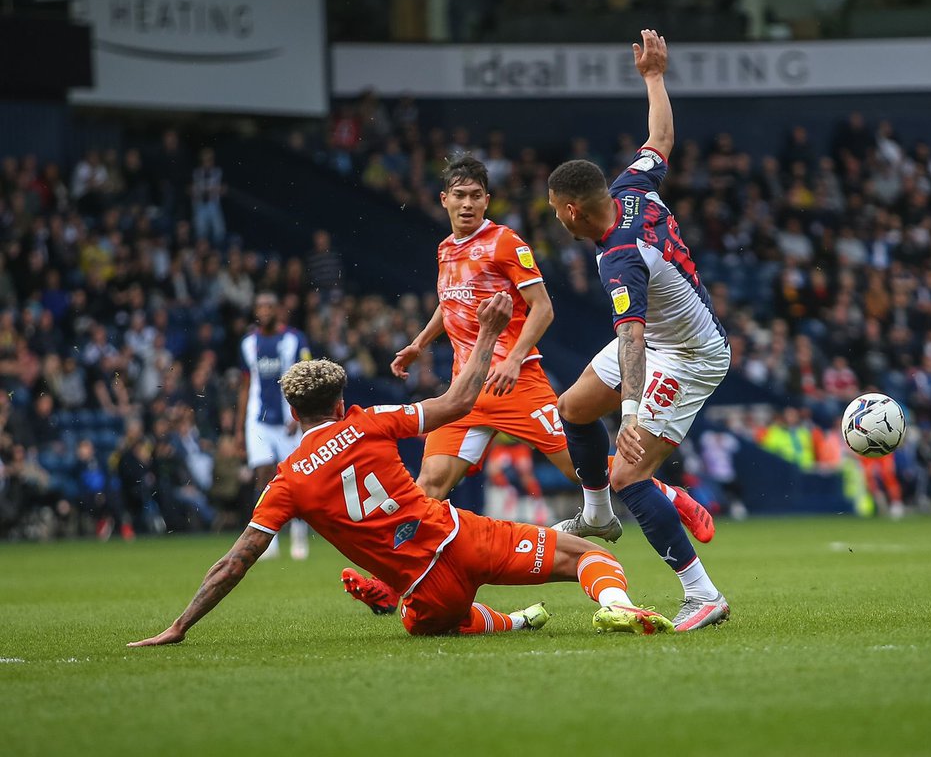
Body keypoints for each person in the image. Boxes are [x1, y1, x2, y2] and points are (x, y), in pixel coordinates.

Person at [128, 294, 675, 646]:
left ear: (293, 415)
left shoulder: (287, 481)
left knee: (437, 621)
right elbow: (459, 403)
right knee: (591, 554)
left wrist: (180, 626)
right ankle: (617, 607)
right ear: (341, 403)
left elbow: (234, 563)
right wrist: (486, 334)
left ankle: (514, 619)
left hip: (424, 590)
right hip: (460, 539)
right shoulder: (370, 422)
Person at [342, 155, 713, 615]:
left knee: (586, 472)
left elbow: (543, 307)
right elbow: (450, 300)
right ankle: (392, 584)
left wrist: (515, 358)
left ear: (487, 200)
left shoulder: (504, 243)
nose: (467, 204)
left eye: (476, 195)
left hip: (514, 385)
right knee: (428, 488)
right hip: (465, 391)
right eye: (459, 195)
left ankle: (666, 493)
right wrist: (420, 342)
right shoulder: (445, 249)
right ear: (443, 200)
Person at [544, 29, 730, 631]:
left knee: (628, 470)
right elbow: (661, 139)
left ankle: (701, 592)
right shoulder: (629, 188)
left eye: (554, 212)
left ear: (573, 209)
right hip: (658, 341)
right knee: (571, 409)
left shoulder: (619, 257)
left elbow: (630, 338)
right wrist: (654, 77)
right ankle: (596, 516)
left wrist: (628, 417)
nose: (556, 221)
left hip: (688, 354)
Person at [236, 292, 312, 559]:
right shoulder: (247, 343)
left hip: (289, 420)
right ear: (256, 310)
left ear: (277, 309)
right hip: (258, 420)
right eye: (260, 306)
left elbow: (306, 378)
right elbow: (246, 385)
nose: (265, 310)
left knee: (296, 479)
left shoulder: (294, 339)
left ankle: (299, 533)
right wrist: (238, 429)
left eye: (269, 305)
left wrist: (299, 414)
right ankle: (270, 539)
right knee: (263, 476)